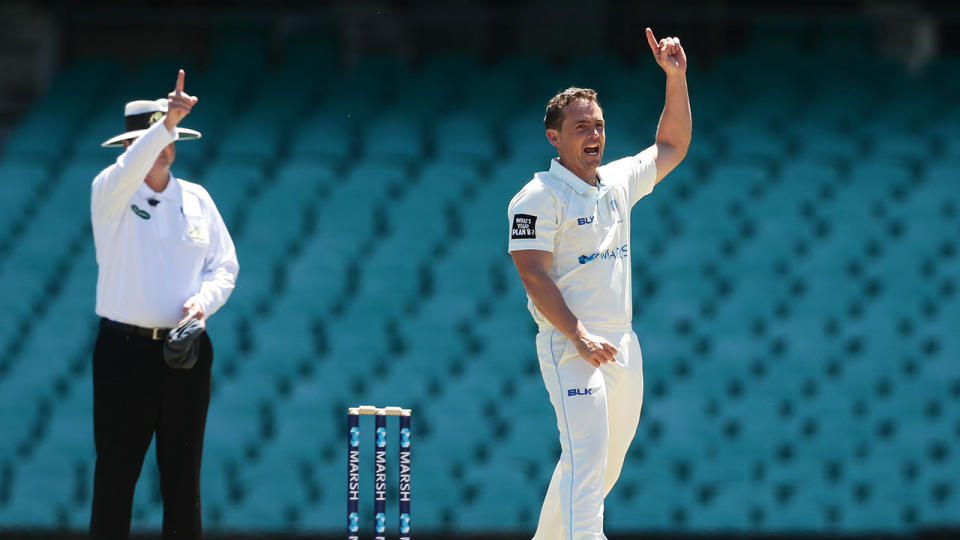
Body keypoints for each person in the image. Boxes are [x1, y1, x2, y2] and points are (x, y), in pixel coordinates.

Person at [507, 28, 690, 539]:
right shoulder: (537, 197)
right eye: (581, 126)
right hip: (571, 343)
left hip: (621, 344)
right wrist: (579, 335)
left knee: (601, 466)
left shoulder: (616, 182)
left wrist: (675, 78)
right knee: (585, 457)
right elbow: (532, 273)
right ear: (555, 137)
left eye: (600, 126)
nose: (594, 135)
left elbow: (672, 144)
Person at [89, 69, 238, 539]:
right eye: (156, 137)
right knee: (116, 478)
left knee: (182, 480)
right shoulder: (110, 192)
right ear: (132, 146)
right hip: (123, 353)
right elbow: (131, 168)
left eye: (171, 136)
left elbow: (224, 267)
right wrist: (163, 125)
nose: (165, 146)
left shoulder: (195, 198)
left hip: (184, 353)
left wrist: (202, 303)